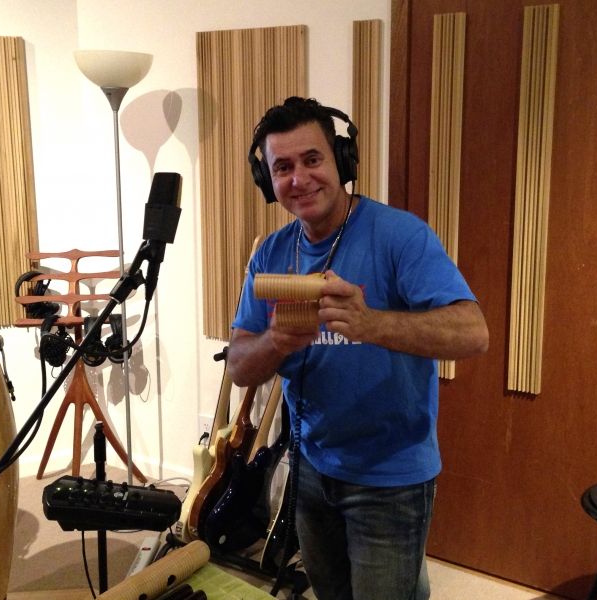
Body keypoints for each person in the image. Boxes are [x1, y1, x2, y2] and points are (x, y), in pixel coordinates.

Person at [227, 96, 489, 600]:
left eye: (312, 159)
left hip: (389, 480)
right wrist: (276, 341)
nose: (299, 178)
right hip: (309, 469)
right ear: (268, 180)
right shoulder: (271, 254)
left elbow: (473, 332)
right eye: (282, 167)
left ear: (342, 161)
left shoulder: (400, 236)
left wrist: (372, 324)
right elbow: (239, 368)